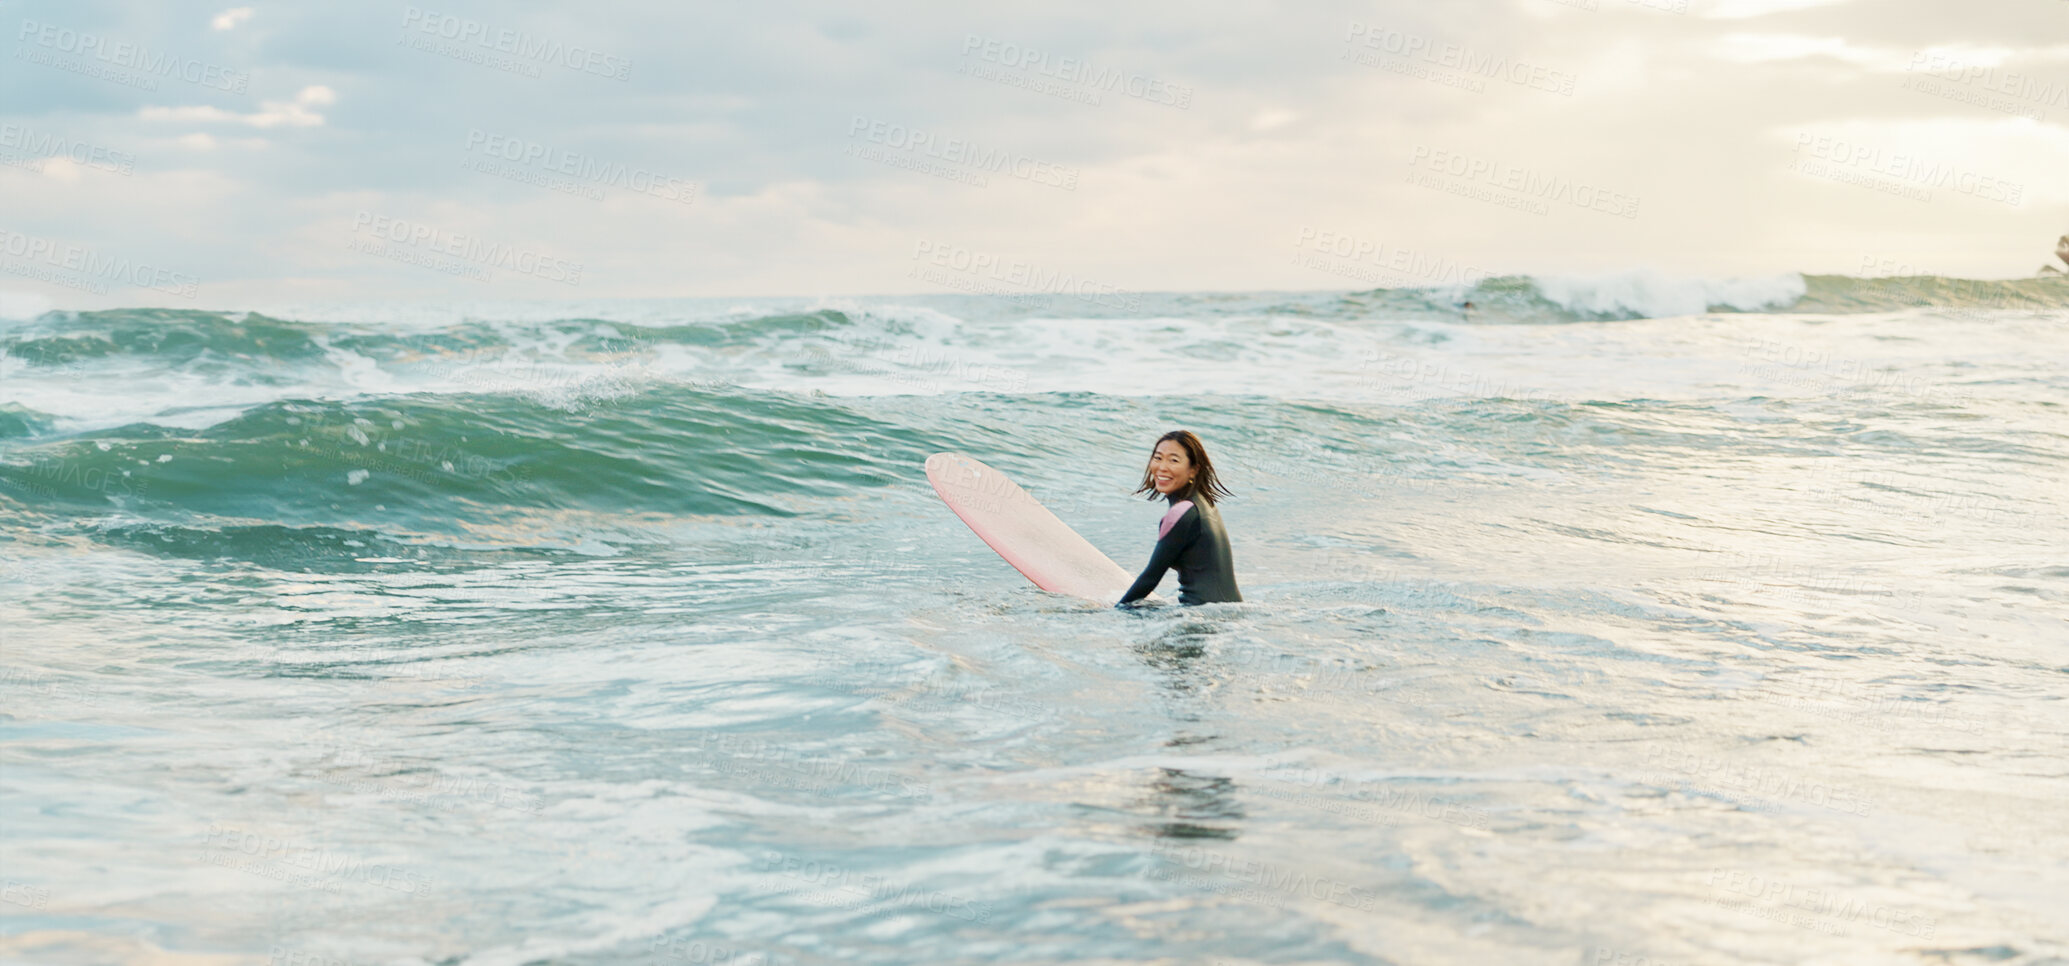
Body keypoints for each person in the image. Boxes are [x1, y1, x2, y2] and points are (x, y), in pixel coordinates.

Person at [1117, 430, 1243, 607]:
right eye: (1158, 458)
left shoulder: (1182, 513)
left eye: (1173, 460)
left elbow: (1150, 578)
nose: (1162, 467)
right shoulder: (1204, 503)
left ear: (1193, 470)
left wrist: (1115, 611)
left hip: (1204, 616)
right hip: (1227, 611)